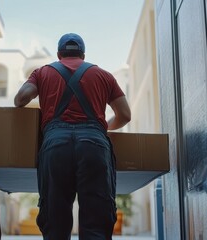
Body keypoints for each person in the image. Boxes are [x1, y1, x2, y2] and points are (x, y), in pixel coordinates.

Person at [14, 33, 131, 240]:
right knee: (97, 223)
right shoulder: (104, 75)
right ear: (83, 55)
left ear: (59, 54)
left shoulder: (42, 72)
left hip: (55, 145)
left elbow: (20, 99)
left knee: (55, 224)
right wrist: (104, 128)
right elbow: (125, 115)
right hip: (94, 145)